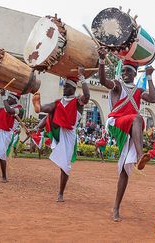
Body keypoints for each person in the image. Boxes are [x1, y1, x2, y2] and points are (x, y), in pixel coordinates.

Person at [97, 46, 155, 222]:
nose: (124, 73)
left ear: (134, 73)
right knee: (138, 118)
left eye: (128, 71)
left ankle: (116, 207)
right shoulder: (117, 85)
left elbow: (153, 98)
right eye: (122, 70)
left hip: (130, 129)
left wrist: (150, 76)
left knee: (124, 170)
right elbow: (102, 80)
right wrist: (101, 60)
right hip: (116, 122)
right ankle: (140, 156)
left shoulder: (138, 90)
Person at [32, 67, 89, 202]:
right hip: (57, 129)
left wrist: (82, 77)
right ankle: (39, 107)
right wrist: (37, 127)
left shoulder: (78, 102)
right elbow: (49, 115)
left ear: (73, 89)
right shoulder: (59, 102)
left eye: (67, 87)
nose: (64, 88)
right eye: (64, 86)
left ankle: (61, 193)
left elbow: (87, 96)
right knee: (52, 108)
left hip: (68, 134)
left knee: (65, 166)